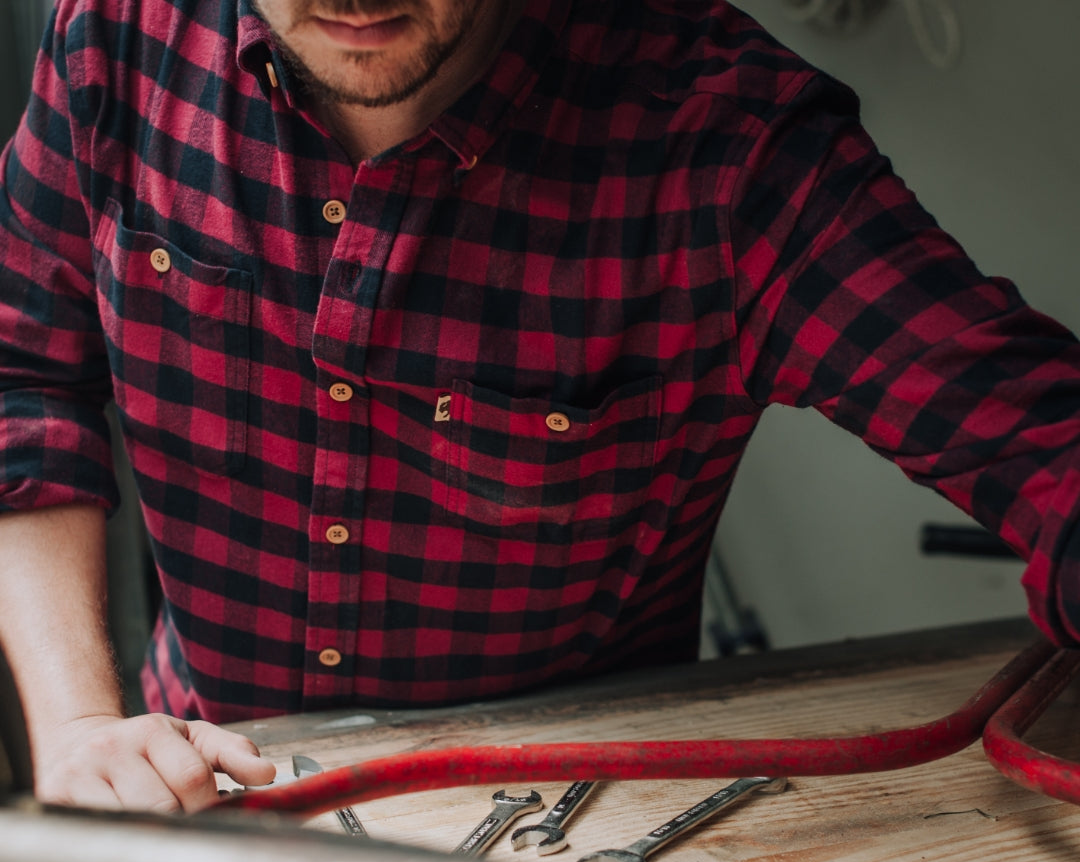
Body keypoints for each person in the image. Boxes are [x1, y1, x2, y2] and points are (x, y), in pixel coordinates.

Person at [1, 0, 1078, 813]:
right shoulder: (117, 37)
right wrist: (83, 724)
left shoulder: (731, 145)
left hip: (579, 833)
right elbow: (23, 373)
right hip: (199, 786)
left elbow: (1046, 445)